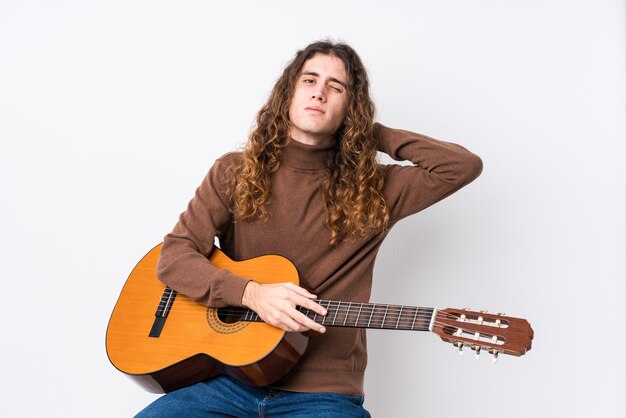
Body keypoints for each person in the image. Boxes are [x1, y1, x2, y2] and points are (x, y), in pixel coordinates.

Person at [135, 40, 483, 417]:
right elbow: (173, 258)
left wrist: (366, 130)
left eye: (336, 88)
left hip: (324, 395)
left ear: (352, 106)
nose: (319, 92)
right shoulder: (233, 171)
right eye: (309, 80)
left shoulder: (379, 188)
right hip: (228, 381)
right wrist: (250, 294)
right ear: (288, 93)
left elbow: (461, 166)